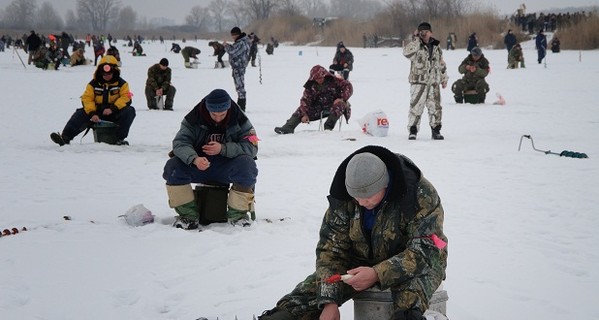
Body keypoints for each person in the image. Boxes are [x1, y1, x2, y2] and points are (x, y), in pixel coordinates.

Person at [258, 145, 448, 320]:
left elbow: (427, 249)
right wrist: (329, 300)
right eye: (356, 197)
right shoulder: (343, 197)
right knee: (299, 303)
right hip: (360, 258)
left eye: (368, 197)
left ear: (385, 184)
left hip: (415, 262)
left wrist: (377, 273)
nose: (361, 202)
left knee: (408, 306)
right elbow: (331, 250)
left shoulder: (419, 193)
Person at [162, 89, 259, 230]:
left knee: (247, 166)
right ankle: (188, 216)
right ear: (207, 109)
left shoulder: (240, 119)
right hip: (198, 166)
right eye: (214, 114)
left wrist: (223, 149)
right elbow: (180, 143)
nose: (218, 118)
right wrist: (194, 159)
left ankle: (238, 216)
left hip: (226, 167)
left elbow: (252, 147)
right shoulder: (193, 118)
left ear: (228, 109)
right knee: (173, 167)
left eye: (222, 114)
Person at [50, 55, 136, 146]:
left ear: (115, 72)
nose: (106, 76)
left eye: (109, 74)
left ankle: (119, 138)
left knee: (129, 111)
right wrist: (92, 113)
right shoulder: (92, 84)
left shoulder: (122, 84)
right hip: (96, 113)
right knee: (80, 113)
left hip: (114, 113)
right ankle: (65, 138)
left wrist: (113, 108)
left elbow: (126, 98)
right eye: (104, 74)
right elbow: (87, 98)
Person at [274, 65, 353, 134]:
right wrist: (305, 114)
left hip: (334, 105)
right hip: (319, 107)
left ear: (324, 75)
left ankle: (328, 128)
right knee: (301, 109)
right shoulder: (310, 86)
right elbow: (305, 100)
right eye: (316, 79)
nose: (319, 80)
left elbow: (348, 86)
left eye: (320, 78)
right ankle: (288, 127)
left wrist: (342, 98)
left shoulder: (335, 80)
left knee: (340, 105)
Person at [403, 22, 448, 140]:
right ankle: (413, 131)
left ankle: (436, 131)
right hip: (418, 83)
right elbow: (407, 53)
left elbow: (441, 63)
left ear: (431, 32)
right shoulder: (416, 45)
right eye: (421, 32)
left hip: (433, 83)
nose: (424, 34)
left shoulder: (437, 46)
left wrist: (444, 78)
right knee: (416, 107)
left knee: (435, 107)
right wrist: (416, 39)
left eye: (426, 32)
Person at [224, 26, 251, 111]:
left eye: (233, 35)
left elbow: (233, 52)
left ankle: (241, 108)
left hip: (239, 67)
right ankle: (240, 107)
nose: (232, 37)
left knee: (240, 88)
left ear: (237, 34)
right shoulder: (243, 42)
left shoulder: (241, 43)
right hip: (239, 67)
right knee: (240, 87)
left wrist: (226, 46)